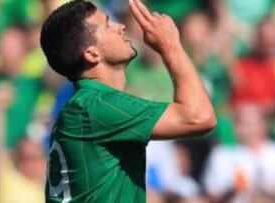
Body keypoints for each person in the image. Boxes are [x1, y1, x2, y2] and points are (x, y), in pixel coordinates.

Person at [40, 0, 216, 202]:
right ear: (92, 53)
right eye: (108, 24)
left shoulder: (88, 104)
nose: (121, 27)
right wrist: (171, 46)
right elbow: (199, 117)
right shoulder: (97, 106)